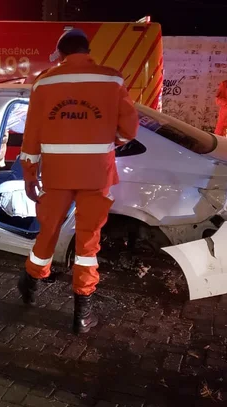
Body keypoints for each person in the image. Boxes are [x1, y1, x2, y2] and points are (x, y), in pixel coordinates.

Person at [16, 28, 138, 334]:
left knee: (48, 231)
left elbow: (31, 135)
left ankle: (30, 282)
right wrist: (109, 141)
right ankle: (82, 314)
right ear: (87, 51)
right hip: (97, 174)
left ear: (60, 54)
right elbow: (130, 129)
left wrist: (29, 175)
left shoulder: (44, 81)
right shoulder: (112, 79)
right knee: (87, 242)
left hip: (57, 174)